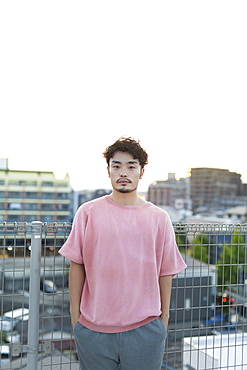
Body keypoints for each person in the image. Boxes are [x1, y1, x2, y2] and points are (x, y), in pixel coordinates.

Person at [59, 137, 187, 370]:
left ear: (141, 171)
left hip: (145, 330)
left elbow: (166, 271)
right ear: (108, 171)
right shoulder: (88, 212)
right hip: (92, 331)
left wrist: (163, 321)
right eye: (116, 166)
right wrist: (75, 318)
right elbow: (76, 263)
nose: (123, 172)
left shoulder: (159, 218)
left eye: (131, 166)